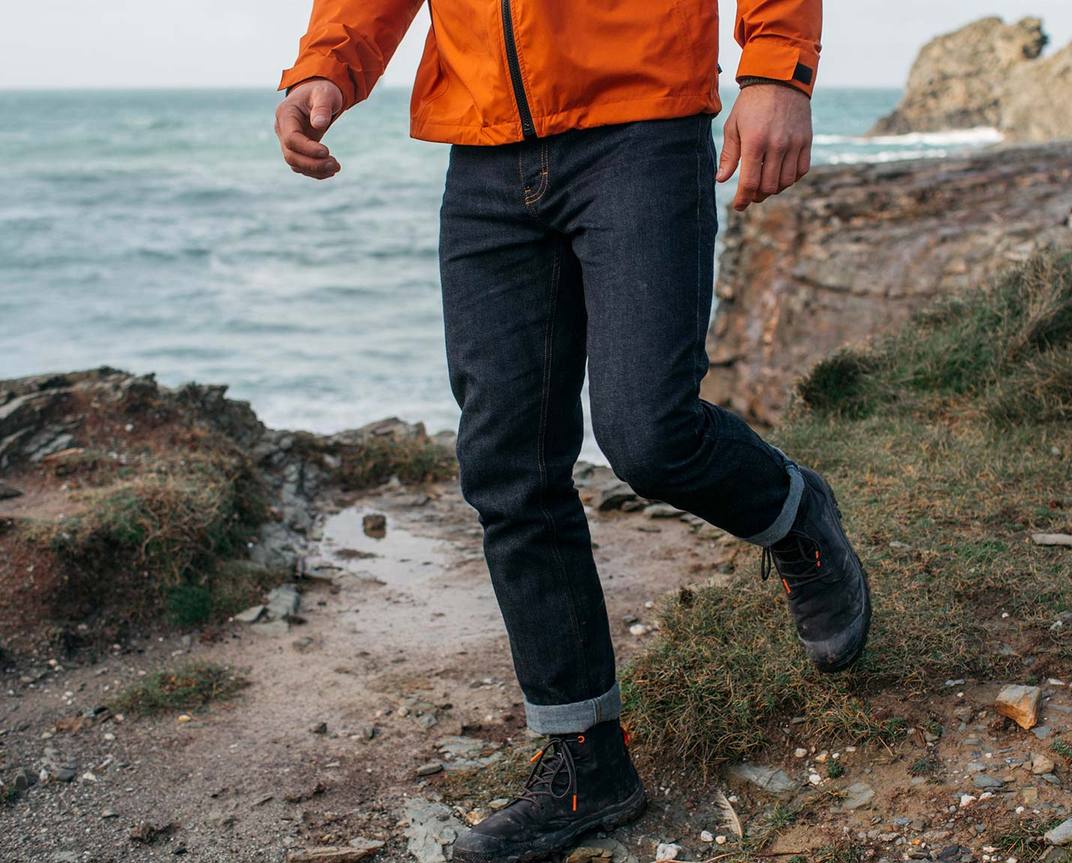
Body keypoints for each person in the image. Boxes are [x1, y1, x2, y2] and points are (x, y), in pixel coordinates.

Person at [274, 2, 869, 860]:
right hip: (483, 145)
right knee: (507, 466)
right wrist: (327, 64)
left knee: (651, 435)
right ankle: (587, 761)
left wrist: (778, 67)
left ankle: (795, 512)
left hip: (640, 121)